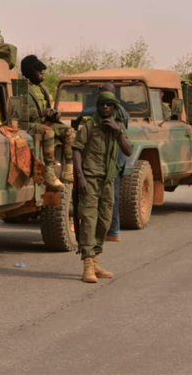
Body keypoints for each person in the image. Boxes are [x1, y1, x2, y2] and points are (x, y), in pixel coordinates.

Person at [73, 91, 133, 283]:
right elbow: (77, 149)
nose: (105, 107)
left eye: (109, 104)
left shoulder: (119, 126)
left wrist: (117, 130)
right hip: (90, 178)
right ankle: (87, 265)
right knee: (89, 220)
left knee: (105, 221)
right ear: (97, 107)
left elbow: (128, 150)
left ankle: (96, 259)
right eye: (102, 105)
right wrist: (80, 176)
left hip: (108, 179)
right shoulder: (90, 125)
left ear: (114, 107)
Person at [21, 54, 76, 191]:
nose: (41, 74)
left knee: (69, 131)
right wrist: (41, 113)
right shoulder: (22, 88)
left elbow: (47, 107)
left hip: (45, 122)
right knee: (48, 132)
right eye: (39, 71)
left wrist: (54, 114)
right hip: (31, 125)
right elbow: (20, 113)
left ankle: (69, 169)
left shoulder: (42, 88)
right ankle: (49, 171)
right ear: (30, 72)